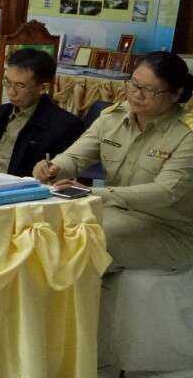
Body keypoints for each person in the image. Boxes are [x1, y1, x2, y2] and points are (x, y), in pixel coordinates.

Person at [34, 52, 193, 269]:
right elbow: (75, 156)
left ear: (176, 94)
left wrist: (93, 193)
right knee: (43, 224)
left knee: (83, 239)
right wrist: (54, 168)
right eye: (134, 84)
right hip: (112, 212)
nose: (137, 94)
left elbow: (165, 192)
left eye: (149, 90)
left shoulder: (186, 134)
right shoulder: (112, 117)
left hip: (168, 228)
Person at [0, 48, 83, 177]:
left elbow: (56, 177)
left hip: (18, 186)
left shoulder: (65, 126)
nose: (11, 92)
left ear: (43, 88)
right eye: (7, 82)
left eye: (20, 85)